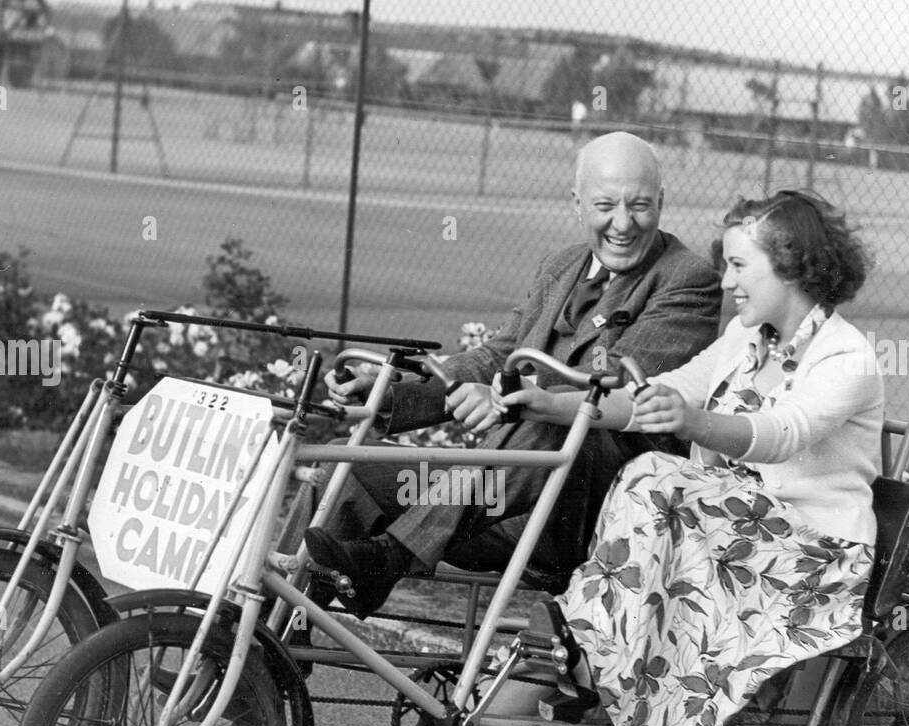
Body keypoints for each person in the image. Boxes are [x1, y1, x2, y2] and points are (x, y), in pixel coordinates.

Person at [331, 189, 883, 726]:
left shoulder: (846, 356)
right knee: (590, 618)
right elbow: (653, 396)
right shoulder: (743, 338)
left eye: (739, 266)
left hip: (804, 554)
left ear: (791, 264)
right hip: (724, 535)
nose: (726, 281)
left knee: (649, 484)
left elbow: (785, 432)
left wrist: (694, 421)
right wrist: (555, 407)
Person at [305, 130, 722, 619]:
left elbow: (606, 388)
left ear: (663, 203)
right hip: (493, 499)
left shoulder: (688, 279)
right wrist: (392, 393)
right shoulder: (562, 265)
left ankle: (391, 557)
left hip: (591, 517)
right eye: (606, 205)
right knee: (352, 468)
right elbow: (499, 354)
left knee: (562, 416)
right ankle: (268, 641)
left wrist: (507, 393)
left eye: (641, 206)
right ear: (577, 203)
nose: (623, 224)